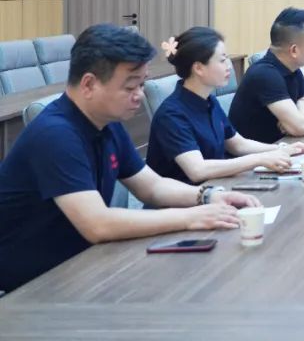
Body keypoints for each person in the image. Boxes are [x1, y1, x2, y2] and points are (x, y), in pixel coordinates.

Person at [0, 24, 259, 293]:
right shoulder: (56, 135)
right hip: (28, 286)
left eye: (142, 84)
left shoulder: (108, 124)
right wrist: (191, 217)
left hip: (79, 265)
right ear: (89, 84)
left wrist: (208, 196)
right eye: (130, 86)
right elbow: (97, 224)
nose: (140, 95)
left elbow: (153, 187)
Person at [146, 27, 304, 185]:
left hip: (217, 187)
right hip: (184, 200)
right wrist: (260, 159)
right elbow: (198, 170)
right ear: (198, 68)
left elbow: (238, 144)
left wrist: (282, 149)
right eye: (222, 60)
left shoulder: (209, 101)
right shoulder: (172, 114)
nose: (228, 66)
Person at [228, 7, 304, 144]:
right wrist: (300, 115)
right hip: (254, 155)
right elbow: (299, 128)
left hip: (282, 147)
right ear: (294, 50)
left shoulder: (293, 69)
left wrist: (301, 113)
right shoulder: (265, 74)